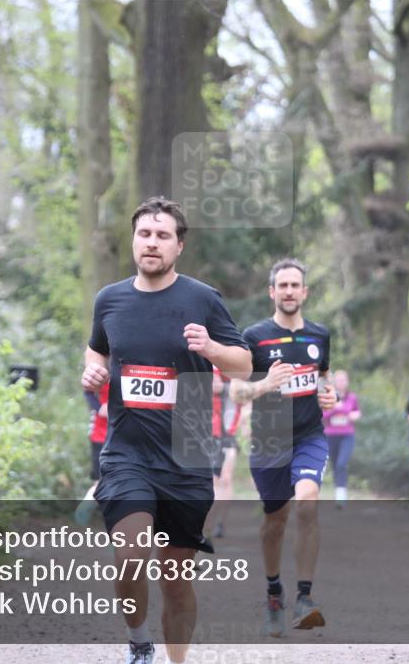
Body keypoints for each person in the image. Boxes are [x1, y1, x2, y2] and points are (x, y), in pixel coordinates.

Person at [82, 196, 252, 664]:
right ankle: (139, 642)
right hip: (127, 453)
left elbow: (244, 366)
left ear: (179, 246)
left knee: (176, 579)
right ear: (133, 240)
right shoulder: (110, 299)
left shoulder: (202, 299)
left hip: (187, 453)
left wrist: (213, 348)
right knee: (132, 553)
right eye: (144, 234)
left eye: (162, 236)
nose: (151, 243)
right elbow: (96, 350)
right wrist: (92, 372)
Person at [229, 258, 336, 637]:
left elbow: (323, 376)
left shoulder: (320, 335)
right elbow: (237, 391)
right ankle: (274, 592)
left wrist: (330, 393)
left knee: (307, 502)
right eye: (283, 285)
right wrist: (265, 384)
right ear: (272, 292)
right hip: (268, 442)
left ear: (305, 292)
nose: (289, 291)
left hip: (309, 436)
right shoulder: (254, 337)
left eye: (296, 285)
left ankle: (305, 598)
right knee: (275, 523)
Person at [206, 366, 243, 538]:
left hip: (228, 435)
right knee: (213, 480)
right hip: (209, 436)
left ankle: (220, 523)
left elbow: (241, 387)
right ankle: (208, 523)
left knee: (226, 478)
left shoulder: (230, 372)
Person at [322, 370, 361, 508]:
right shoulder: (327, 396)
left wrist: (349, 413)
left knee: (341, 463)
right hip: (331, 435)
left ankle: (341, 495)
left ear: (347, 382)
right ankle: (339, 492)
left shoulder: (352, 398)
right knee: (335, 465)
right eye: (338, 380)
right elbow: (323, 416)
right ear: (333, 382)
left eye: (343, 380)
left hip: (347, 435)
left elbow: (357, 413)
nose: (341, 382)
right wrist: (334, 408)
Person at [75, 381, 109, 525]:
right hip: (101, 434)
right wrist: (99, 407)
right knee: (101, 482)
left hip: (128, 435)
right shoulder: (104, 364)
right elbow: (87, 389)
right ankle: (86, 506)